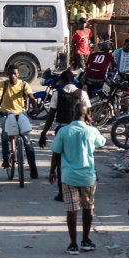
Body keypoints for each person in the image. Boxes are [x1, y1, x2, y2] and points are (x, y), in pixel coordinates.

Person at [50, 99, 106, 255]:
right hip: (88, 177)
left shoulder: (63, 131)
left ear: (72, 114)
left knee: (71, 210)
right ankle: (86, 240)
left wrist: (52, 171)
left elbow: (56, 152)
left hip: (68, 177)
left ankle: (73, 244)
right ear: (87, 114)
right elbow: (101, 142)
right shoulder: (91, 130)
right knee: (88, 208)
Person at [39, 69, 91, 201]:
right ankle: (82, 187)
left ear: (62, 81)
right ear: (73, 81)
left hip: (62, 129)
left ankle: (62, 193)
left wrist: (43, 133)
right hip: (79, 130)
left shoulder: (57, 94)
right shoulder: (82, 94)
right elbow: (89, 114)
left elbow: (51, 116)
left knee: (60, 160)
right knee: (81, 158)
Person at [0, 66, 38, 178]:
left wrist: (35, 107)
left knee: (27, 139)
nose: (12, 75)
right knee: (4, 135)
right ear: (7, 74)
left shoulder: (24, 85)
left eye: (14, 73)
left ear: (18, 74)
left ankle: (33, 167)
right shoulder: (3, 84)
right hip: (6, 114)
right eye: (10, 74)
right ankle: (6, 159)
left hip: (20, 113)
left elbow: (31, 98)